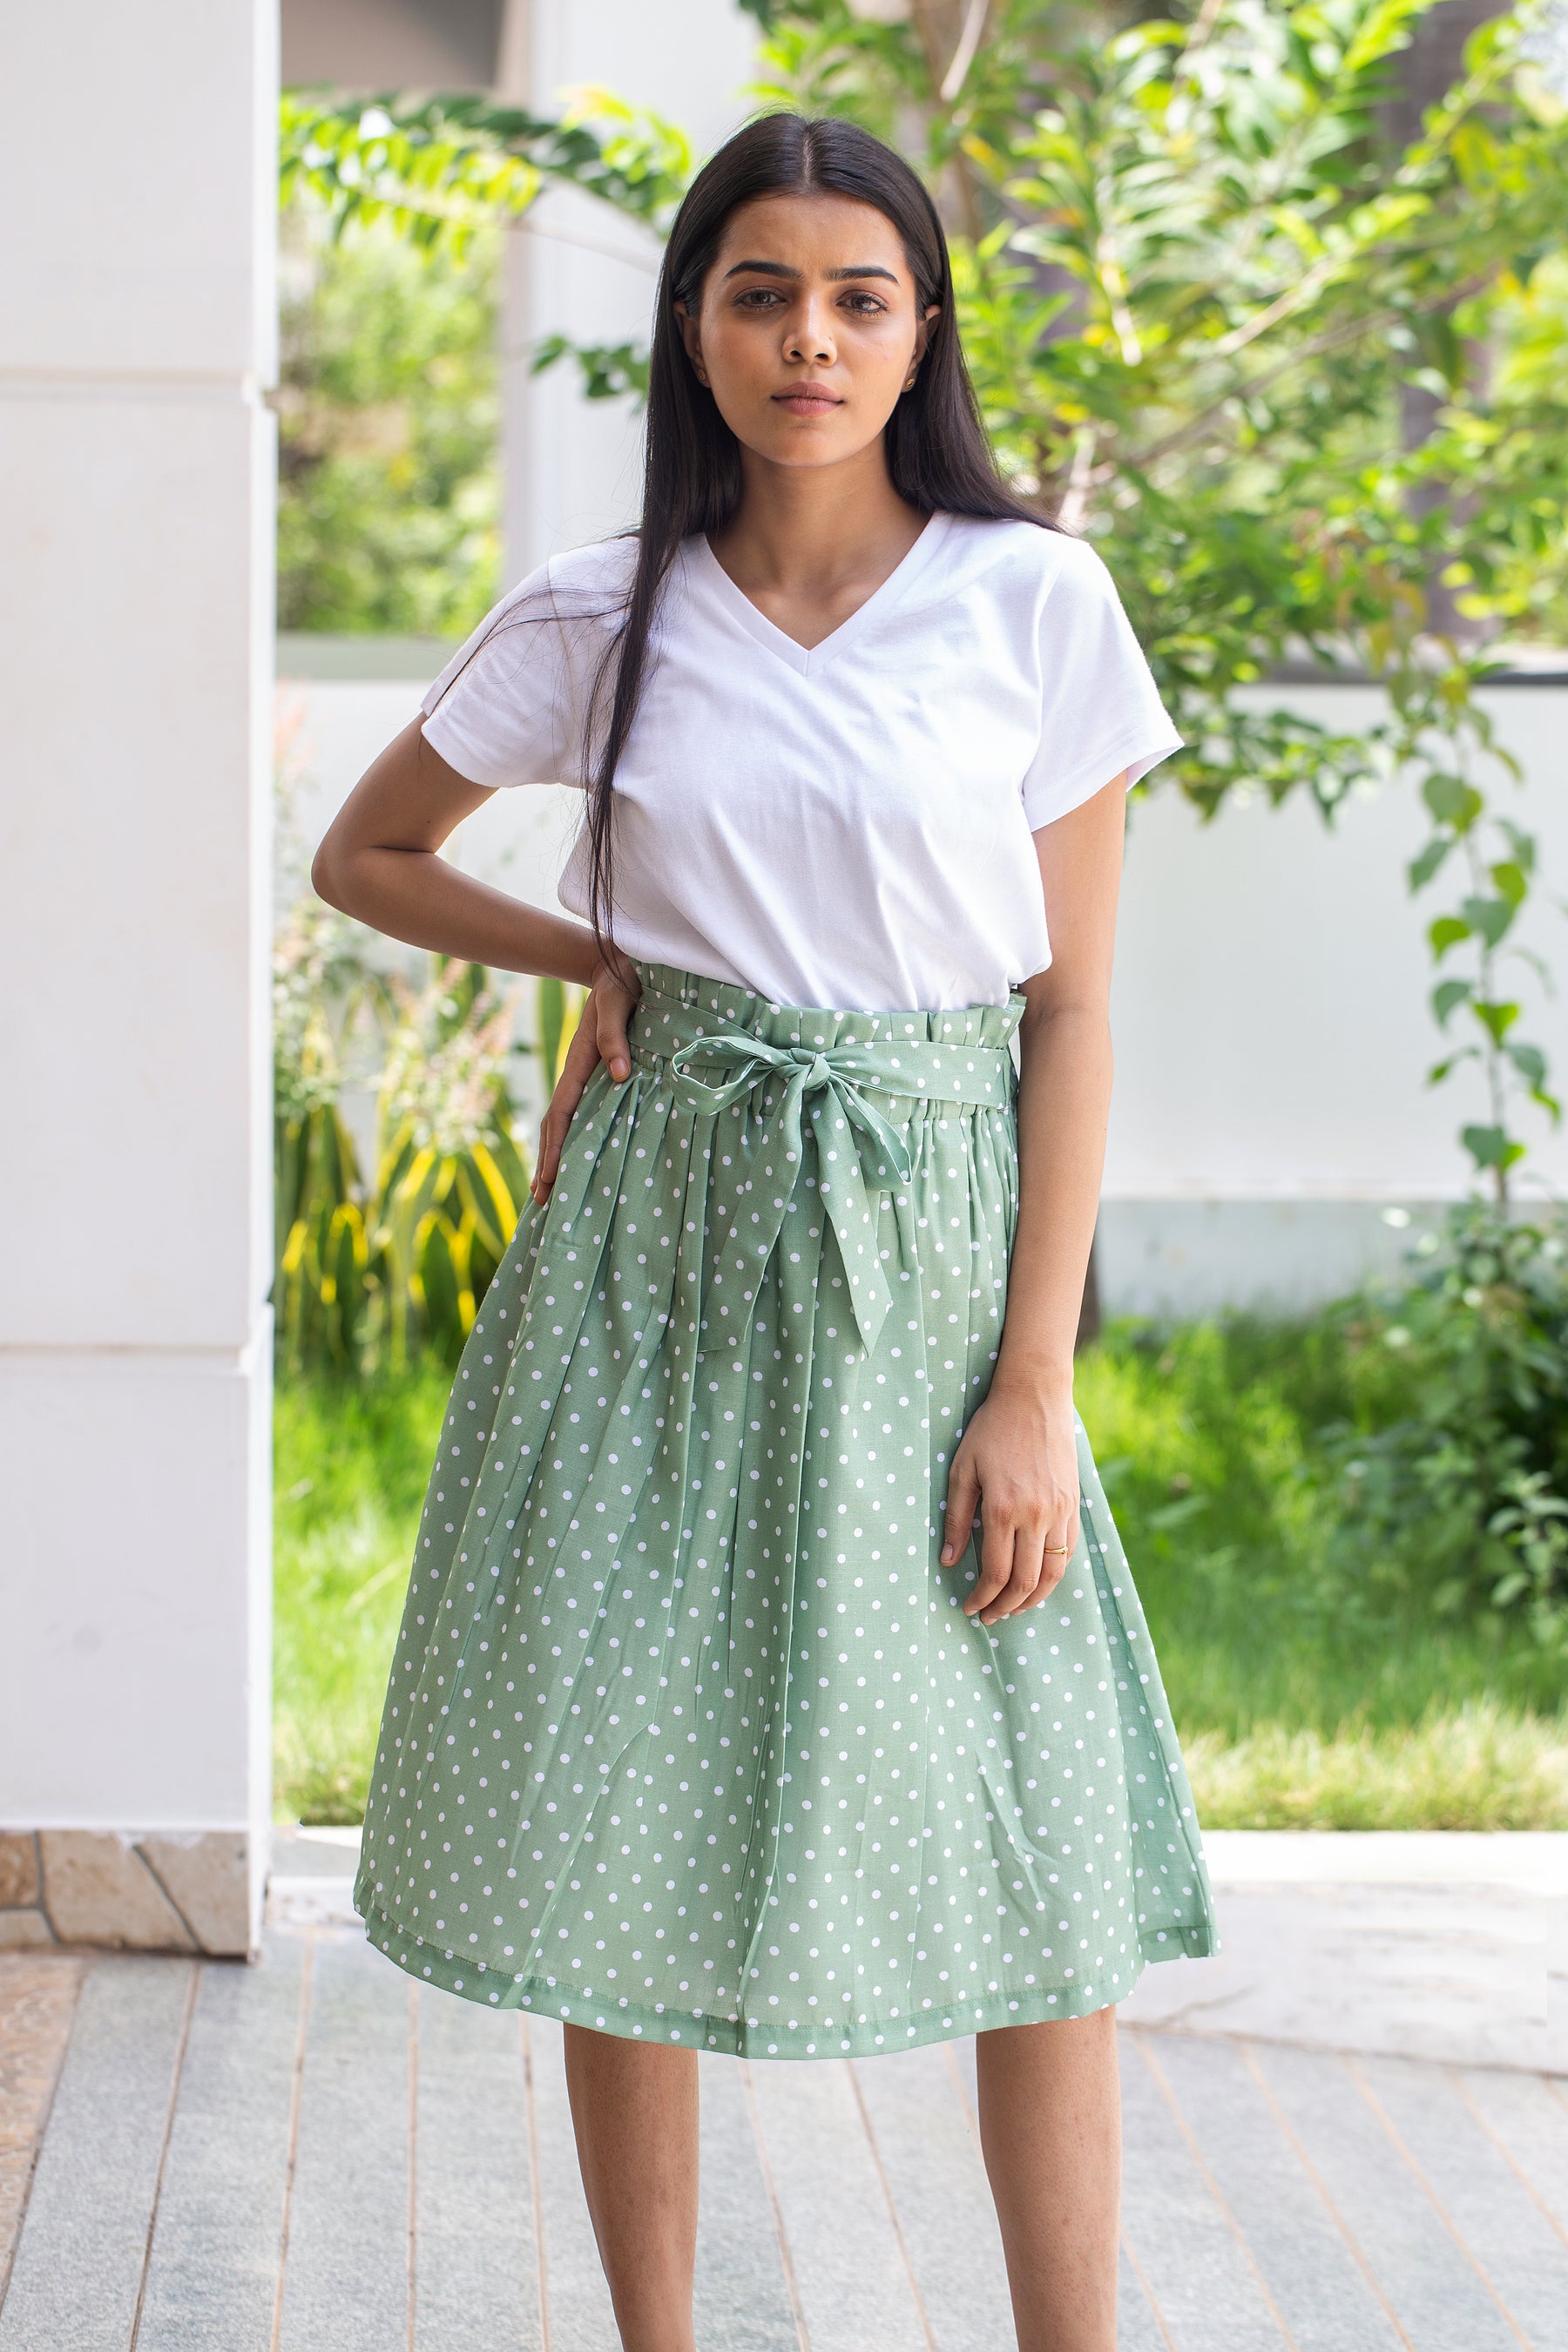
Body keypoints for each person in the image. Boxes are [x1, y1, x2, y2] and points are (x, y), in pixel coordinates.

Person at [314, 108, 1216, 2352]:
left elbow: (1076, 1003)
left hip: (930, 1251)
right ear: (695, 334)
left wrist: (1036, 1382)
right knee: (621, 1775)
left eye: (858, 296)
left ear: (919, 337)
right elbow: (373, 853)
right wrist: (590, 955)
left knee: (1033, 1823)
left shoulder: (1035, 603)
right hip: (656, 1242)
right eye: (759, 293)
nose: (809, 338)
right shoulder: (601, 615)